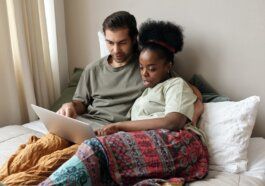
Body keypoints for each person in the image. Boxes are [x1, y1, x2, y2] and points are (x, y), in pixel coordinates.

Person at [40, 20, 208, 186]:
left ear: (168, 66)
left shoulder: (174, 83)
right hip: (147, 140)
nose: (144, 74)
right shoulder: (145, 93)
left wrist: (121, 126)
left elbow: (174, 121)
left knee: (94, 148)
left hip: (178, 143)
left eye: (151, 68)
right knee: (102, 169)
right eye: (141, 68)